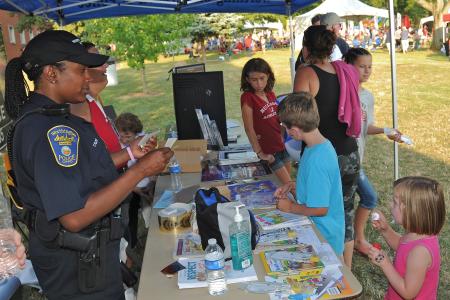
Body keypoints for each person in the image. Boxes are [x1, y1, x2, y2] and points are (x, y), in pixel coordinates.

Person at [4, 30, 173, 299]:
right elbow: (74, 216)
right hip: (77, 272)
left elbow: (86, 169)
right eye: (81, 70)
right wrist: (141, 171)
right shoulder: (45, 130)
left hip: (90, 261)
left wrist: (130, 154)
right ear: (51, 73)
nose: (88, 78)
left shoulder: (59, 118)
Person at [294, 25, 361, 268]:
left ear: (305, 48)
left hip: (322, 153)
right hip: (349, 151)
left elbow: (298, 115)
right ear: (332, 47)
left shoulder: (306, 73)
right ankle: (348, 270)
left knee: (319, 211)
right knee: (345, 211)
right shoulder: (342, 70)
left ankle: (331, 268)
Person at [343, 48, 404, 255]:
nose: (367, 71)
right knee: (369, 197)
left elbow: (365, 127)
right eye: (362, 66)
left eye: (370, 67)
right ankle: (358, 240)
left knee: (365, 198)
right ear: (348, 65)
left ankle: (356, 240)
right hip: (344, 160)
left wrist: (386, 131)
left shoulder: (367, 97)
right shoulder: (341, 92)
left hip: (357, 158)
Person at [274, 92, 344, 256]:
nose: (285, 130)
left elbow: (320, 208)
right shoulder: (318, 146)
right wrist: (295, 186)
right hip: (319, 233)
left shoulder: (317, 160)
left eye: (285, 126)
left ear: (295, 130)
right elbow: (318, 187)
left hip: (325, 240)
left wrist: (290, 207)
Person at [368, 176, 446, 300]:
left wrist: (385, 263)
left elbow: (408, 293)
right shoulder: (416, 234)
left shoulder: (420, 252)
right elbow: (402, 245)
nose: (390, 204)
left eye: (395, 202)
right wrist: (386, 230)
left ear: (411, 211)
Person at [240, 58, 292, 185]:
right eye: (254, 79)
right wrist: (259, 153)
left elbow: (277, 119)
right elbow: (249, 128)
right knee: (290, 185)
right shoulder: (247, 97)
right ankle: (300, 205)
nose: (258, 83)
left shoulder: (271, 94)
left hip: (281, 146)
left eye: (262, 78)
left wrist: (282, 135)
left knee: (286, 185)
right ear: (247, 79)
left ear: (268, 76)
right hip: (268, 150)